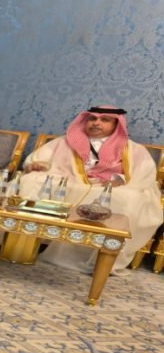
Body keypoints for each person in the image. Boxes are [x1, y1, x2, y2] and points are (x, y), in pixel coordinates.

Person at [17, 105, 162, 274]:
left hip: (107, 188)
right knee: (32, 180)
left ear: (117, 124)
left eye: (104, 120)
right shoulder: (65, 141)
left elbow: (144, 176)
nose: (96, 123)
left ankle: (100, 255)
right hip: (70, 182)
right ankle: (23, 239)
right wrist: (36, 165)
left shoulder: (133, 149)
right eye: (92, 118)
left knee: (129, 197)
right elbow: (38, 160)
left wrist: (120, 180)